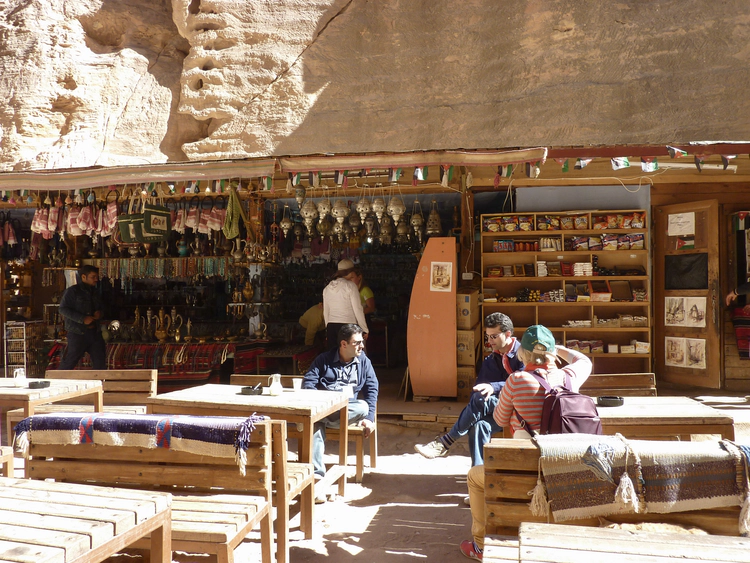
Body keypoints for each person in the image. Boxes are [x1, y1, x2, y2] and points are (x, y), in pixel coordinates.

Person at [460, 324, 592, 561]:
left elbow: (499, 420)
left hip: (527, 476)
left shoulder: (517, 380)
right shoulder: (570, 377)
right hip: (566, 470)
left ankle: (480, 546)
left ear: (522, 354)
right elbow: (583, 359)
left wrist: (518, 415)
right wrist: (556, 348)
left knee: (474, 476)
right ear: (551, 352)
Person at [414, 312, 523, 466]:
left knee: (480, 399)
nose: (489, 341)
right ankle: (479, 474)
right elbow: (477, 390)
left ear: (507, 334)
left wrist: (494, 387)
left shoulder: (522, 354)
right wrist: (476, 408)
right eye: (487, 337)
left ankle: (446, 442)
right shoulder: (491, 360)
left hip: (517, 409)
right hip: (497, 411)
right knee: (478, 425)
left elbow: (523, 381)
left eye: (494, 337)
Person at [302, 323, 379, 500]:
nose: (362, 346)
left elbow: (372, 388)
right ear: (344, 344)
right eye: (357, 342)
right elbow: (308, 384)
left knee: (362, 406)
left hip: (349, 411)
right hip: (325, 409)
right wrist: (322, 405)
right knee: (315, 425)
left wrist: (368, 418)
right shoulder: (323, 360)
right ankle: (317, 478)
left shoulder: (364, 362)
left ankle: (323, 418)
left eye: (362, 342)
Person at [57, 265, 106, 370]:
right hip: (77, 333)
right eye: (93, 277)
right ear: (84, 277)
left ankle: (100, 384)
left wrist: (99, 313)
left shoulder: (96, 292)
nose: (96, 279)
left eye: (97, 277)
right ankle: (59, 382)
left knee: (100, 362)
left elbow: (102, 307)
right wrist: (82, 319)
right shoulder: (73, 291)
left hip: (95, 333)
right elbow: (63, 309)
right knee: (70, 361)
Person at [322, 259, 369, 348]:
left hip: (332, 326)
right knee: (349, 358)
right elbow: (357, 309)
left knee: (334, 357)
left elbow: (326, 311)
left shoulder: (327, 288)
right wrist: (364, 329)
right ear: (350, 272)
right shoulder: (351, 286)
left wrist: (327, 330)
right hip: (348, 326)